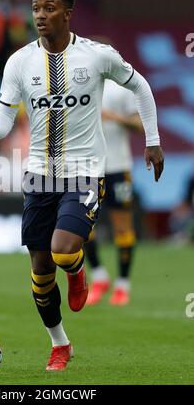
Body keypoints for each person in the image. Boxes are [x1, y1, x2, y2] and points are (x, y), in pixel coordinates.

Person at [0, 0, 164, 371]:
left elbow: (142, 86)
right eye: (35, 9)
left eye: (49, 8)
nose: (40, 16)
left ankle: (78, 271)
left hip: (85, 171)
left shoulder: (98, 56)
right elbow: (6, 110)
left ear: (67, 12)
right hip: (39, 175)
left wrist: (153, 140)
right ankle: (60, 344)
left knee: (64, 250)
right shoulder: (19, 61)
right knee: (40, 267)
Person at [85, 79, 143, 306]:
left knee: (122, 225)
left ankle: (123, 285)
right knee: (83, 227)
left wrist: (114, 117)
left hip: (118, 168)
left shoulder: (121, 90)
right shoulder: (80, 87)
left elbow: (139, 125)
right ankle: (99, 277)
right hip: (87, 169)